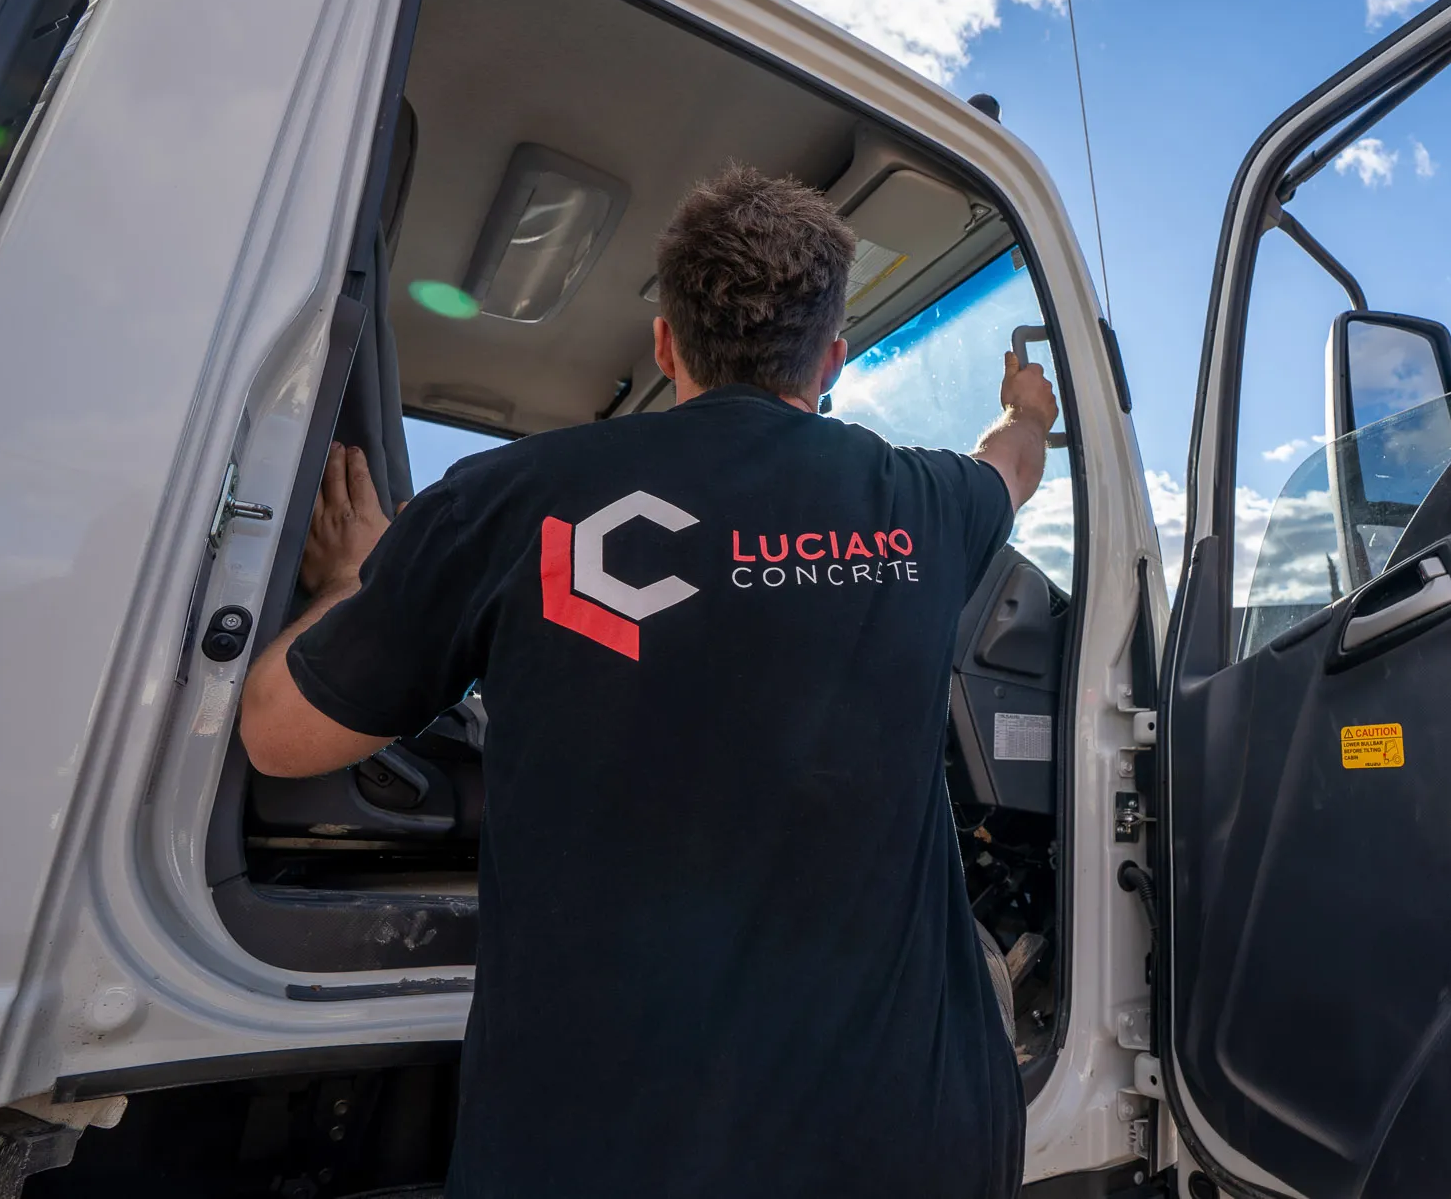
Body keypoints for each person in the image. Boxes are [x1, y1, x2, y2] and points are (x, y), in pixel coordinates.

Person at [239, 164, 1058, 1198]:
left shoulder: (512, 499)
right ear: (834, 360)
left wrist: (354, 578)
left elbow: (278, 736)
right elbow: (1009, 465)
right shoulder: (922, 504)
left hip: (609, 1157)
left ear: (665, 343)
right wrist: (1025, 406)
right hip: (916, 1144)